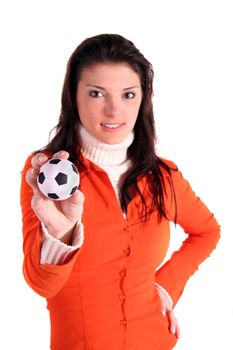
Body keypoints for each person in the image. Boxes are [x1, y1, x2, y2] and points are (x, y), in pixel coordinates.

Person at [20, 33, 220, 350]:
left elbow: (207, 231)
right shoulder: (47, 177)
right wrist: (60, 235)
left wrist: (166, 287)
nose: (114, 111)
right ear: (73, 97)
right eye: (97, 93)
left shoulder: (163, 176)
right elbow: (42, 285)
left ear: (143, 99)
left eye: (128, 94)